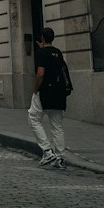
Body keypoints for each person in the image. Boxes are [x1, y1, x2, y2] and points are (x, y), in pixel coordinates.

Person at [28, 26, 71, 169]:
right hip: (59, 93)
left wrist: (35, 89)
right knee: (57, 126)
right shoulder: (58, 53)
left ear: (42, 38)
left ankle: (47, 150)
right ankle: (60, 157)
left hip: (45, 91)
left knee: (33, 117)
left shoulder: (41, 53)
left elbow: (41, 73)